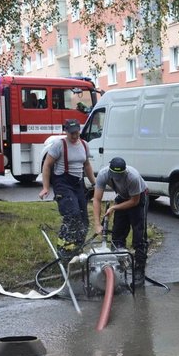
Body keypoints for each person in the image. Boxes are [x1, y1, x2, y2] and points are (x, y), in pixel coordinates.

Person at [39, 119, 96, 258]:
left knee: (83, 219)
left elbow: (87, 165)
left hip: (78, 184)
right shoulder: (59, 145)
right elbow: (47, 166)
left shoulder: (84, 144)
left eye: (77, 132)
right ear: (66, 132)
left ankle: (77, 248)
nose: (75, 136)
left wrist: (95, 183)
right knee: (72, 215)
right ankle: (63, 249)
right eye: (72, 134)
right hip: (63, 184)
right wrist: (45, 187)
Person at [92, 157, 149, 287]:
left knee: (139, 235)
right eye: (115, 176)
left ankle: (139, 271)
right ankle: (118, 271)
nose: (117, 178)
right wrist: (97, 224)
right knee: (117, 234)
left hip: (139, 198)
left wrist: (114, 207)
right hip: (123, 197)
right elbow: (96, 199)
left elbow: (134, 201)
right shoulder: (103, 174)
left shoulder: (132, 177)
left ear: (124, 172)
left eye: (120, 175)